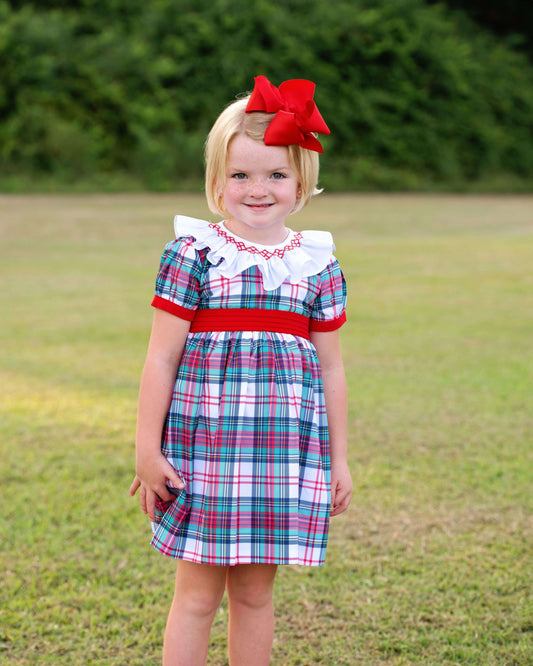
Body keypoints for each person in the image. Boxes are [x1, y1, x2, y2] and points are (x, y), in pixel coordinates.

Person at [130, 74, 353, 666]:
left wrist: (339, 458)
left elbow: (331, 368)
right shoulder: (194, 254)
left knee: (255, 594)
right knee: (197, 595)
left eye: (276, 175)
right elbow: (161, 356)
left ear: (301, 182)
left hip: (280, 455)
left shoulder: (316, 265)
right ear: (217, 182)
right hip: (205, 451)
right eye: (241, 175)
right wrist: (146, 450)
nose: (258, 189)